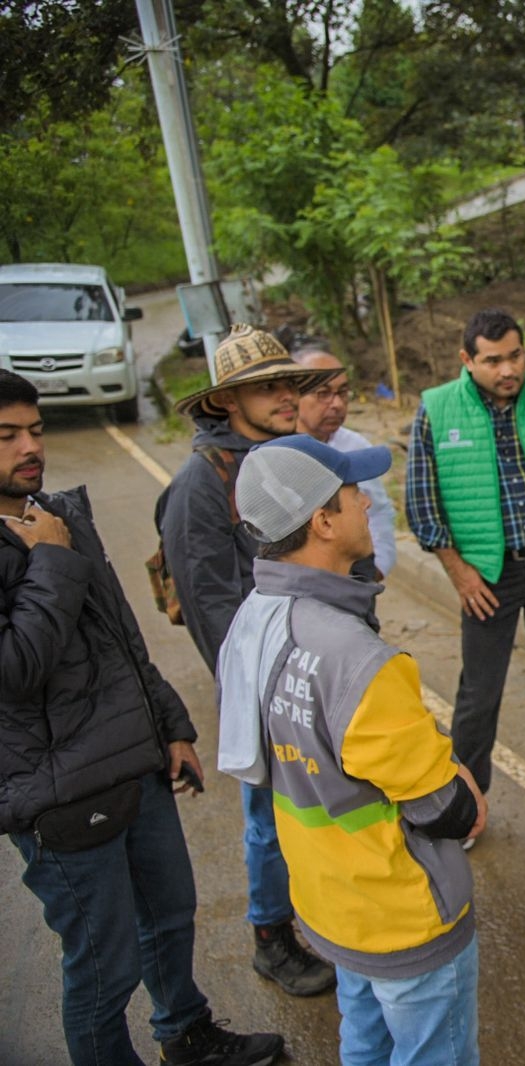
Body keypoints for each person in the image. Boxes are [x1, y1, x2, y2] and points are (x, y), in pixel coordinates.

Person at [1, 369, 285, 1066]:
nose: (30, 446)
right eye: (7, 436)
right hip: (60, 795)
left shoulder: (53, 513)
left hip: (134, 761)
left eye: (35, 430)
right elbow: (15, 669)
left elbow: (120, 636)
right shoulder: (48, 542)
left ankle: (185, 1033)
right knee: (104, 966)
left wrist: (170, 724)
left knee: (168, 915)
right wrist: (51, 565)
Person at [219, 435, 484, 1065]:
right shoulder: (359, 659)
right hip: (399, 913)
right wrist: (463, 779)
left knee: (364, 1039)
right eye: (352, 494)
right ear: (323, 522)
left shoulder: (257, 616)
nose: (367, 502)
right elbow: (447, 810)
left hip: (331, 901)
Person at [160, 323, 338, 997]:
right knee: (268, 818)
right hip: (266, 685)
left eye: (290, 381)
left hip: (326, 670)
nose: (287, 395)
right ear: (226, 403)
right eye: (267, 387)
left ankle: (325, 913)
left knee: (326, 808)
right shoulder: (201, 487)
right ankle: (271, 935)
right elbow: (215, 615)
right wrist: (269, 692)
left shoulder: (293, 457)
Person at [405, 308, 525, 817]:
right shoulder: (437, 409)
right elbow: (423, 506)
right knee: (479, 693)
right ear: (467, 360)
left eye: (515, 355)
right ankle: (468, 801)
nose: (508, 370)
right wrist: (460, 572)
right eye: (493, 360)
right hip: (488, 575)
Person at [291, 343, 397, 581]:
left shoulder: (355, 448)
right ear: (293, 396)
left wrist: (377, 567)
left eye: (342, 392)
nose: (337, 404)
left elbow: (379, 511)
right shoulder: (276, 455)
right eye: (323, 394)